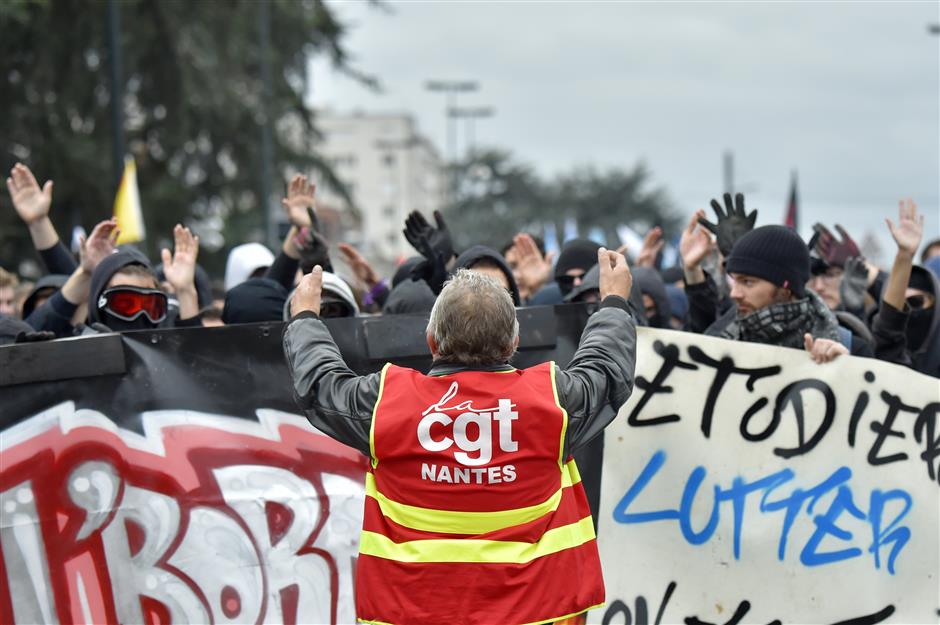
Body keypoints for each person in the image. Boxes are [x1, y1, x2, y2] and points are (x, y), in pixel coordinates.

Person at [283, 247, 637, 625]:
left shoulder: (387, 405)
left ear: (432, 342)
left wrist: (304, 317)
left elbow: (321, 385)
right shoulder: (551, 402)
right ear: (512, 344)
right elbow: (605, 370)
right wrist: (614, 302)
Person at [680, 211, 867, 362]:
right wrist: (691, 269)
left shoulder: (848, 346)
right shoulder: (723, 337)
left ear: (785, 288)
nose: (735, 293)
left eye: (748, 282)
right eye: (735, 280)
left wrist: (846, 371)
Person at [871, 199, 939, 378]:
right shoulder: (884, 357)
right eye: (903, 305)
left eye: (916, 302)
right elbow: (888, 331)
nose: (909, 313)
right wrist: (904, 256)